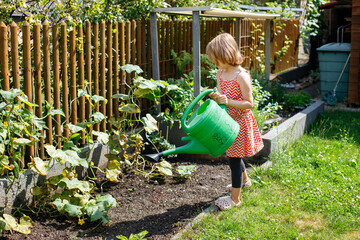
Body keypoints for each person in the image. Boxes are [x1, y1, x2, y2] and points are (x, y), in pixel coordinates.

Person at [206, 33, 264, 210]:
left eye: (217, 60)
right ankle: (245, 182)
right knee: (233, 155)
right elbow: (222, 93)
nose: (215, 64)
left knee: (233, 160)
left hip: (239, 124)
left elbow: (249, 104)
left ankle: (235, 199)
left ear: (227, 55)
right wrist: (217, 96)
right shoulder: (221, 72)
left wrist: (227, 101)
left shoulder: (241, 76)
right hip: (227, 121)